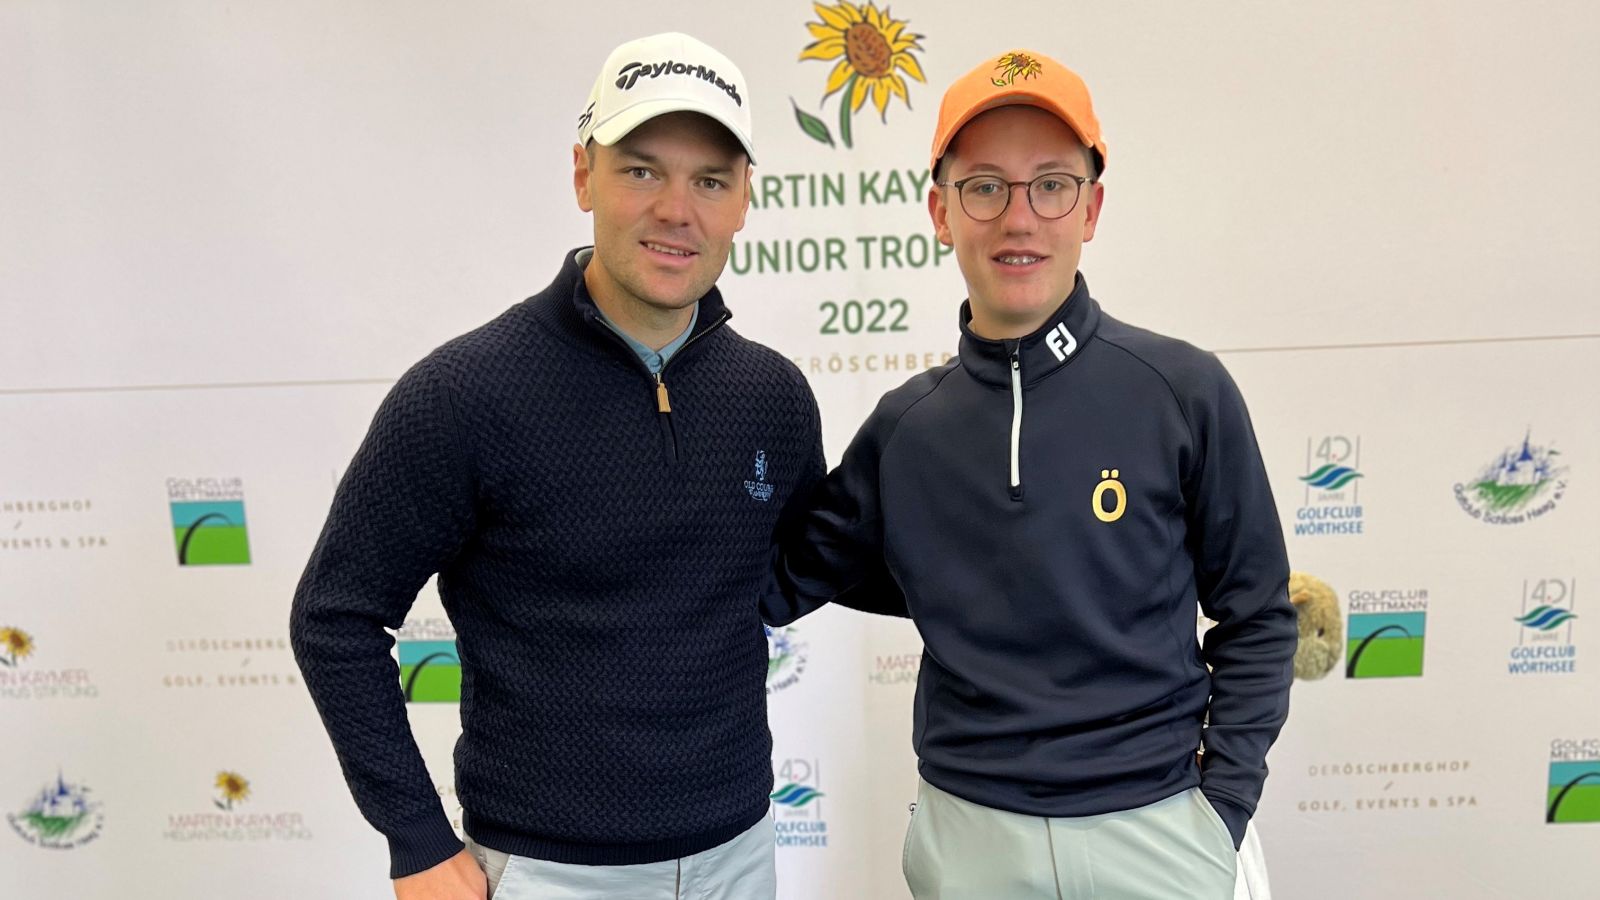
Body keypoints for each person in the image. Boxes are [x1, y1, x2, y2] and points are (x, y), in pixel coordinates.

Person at [291, 32, 823, 900]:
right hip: (548, 874)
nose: (676, 209)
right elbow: (335, 618)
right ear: (584, 176)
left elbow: (793, 567)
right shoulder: (465, 393)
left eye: (710, 181)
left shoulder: (773, 395)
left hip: (740, 853)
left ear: (742, 202)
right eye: (642, 170)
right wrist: (417, 841)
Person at [766, 48, 1296, 899]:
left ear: (1092, 207)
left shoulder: (1182, 390)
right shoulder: (907, 430)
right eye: (985, 187)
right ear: (941, 211)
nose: (1019, 218)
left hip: (1161, 830)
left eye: (1051, 184)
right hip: (971, 838)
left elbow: (1259, 616)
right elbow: (777, 581)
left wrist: (1222, 807)